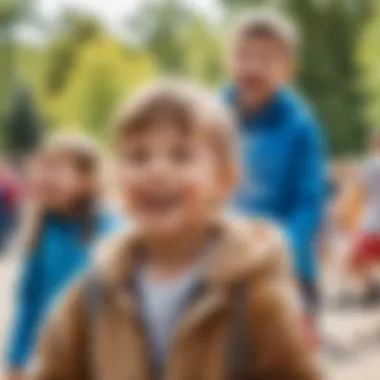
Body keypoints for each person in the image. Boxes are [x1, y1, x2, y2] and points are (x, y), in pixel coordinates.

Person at [26, 81, 321, 380]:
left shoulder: (257, 296)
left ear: (225, 178)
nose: (157, 170)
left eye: (181, 156)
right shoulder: (92, 291)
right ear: (116, 177)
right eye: (138, 157)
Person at [223, 8, 325, 315]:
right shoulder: (211, 116)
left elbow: (309, 201)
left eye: (266, 60)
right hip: (222, 265)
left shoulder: (300, 126)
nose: (252, 67)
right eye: (243, 56)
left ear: (287, 70)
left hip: (285, 269)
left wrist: (276, 248)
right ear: (228, 61)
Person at [5, 133, 119, 380]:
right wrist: (15, 359)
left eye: (55, 168)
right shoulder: (43, 228)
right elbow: (29, 300)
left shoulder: (111, 230)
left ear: (87, 178)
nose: (44, 177)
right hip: (51, 357)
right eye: (42, 167)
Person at [348, 130, 380, 306]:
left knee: (355, 260)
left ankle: (370, 285)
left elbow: (358, 193)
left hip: (372, 223)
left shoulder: (369, 165)